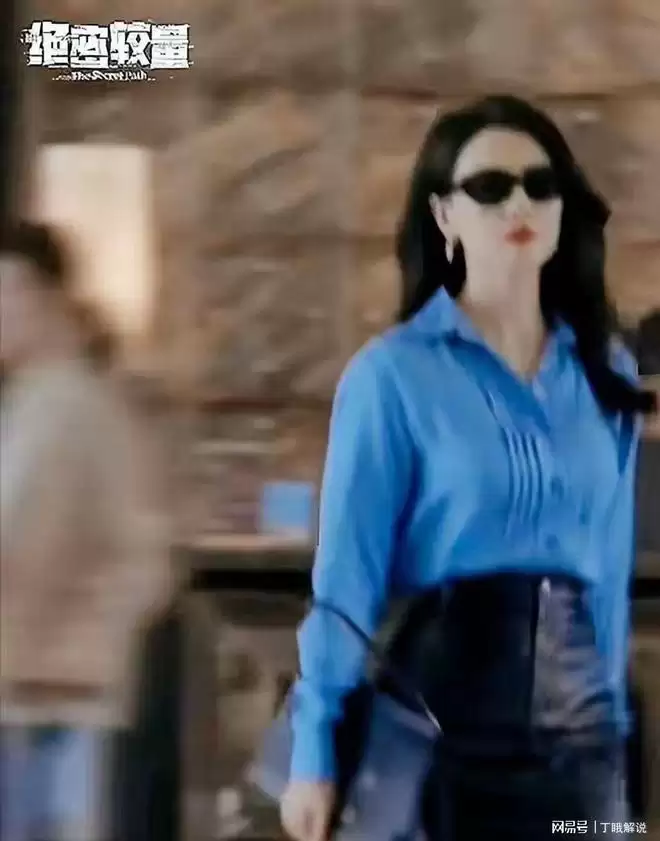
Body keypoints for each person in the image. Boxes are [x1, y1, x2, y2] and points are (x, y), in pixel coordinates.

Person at [279, 95, 658, 841]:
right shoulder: (391, 375)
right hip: (436, 737)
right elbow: (346, 582)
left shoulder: (605, 371)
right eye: (490, 187)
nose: (519, 203)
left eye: (540, 185)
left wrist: (614, 747)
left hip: (581, 746)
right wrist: (313, 748)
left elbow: (608, 573)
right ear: (444, 215)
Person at [0, 221, 172, 841]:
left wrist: (84, 640)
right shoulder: (27, 404)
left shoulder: (93, 406)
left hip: (62, 702)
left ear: (42, 296)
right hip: (22, 693)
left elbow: (146, 556)